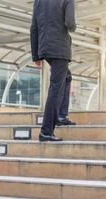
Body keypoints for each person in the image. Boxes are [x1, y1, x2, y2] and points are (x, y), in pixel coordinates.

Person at [30, 0, 76, 142]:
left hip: (45, 47)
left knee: (66, 77)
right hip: (60, 48)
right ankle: (46, 131)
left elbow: (34, 28)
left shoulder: (39, 1)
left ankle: (61, 115)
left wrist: (35, 55)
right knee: (56, 87)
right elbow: (70, 24)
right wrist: (73, 26)